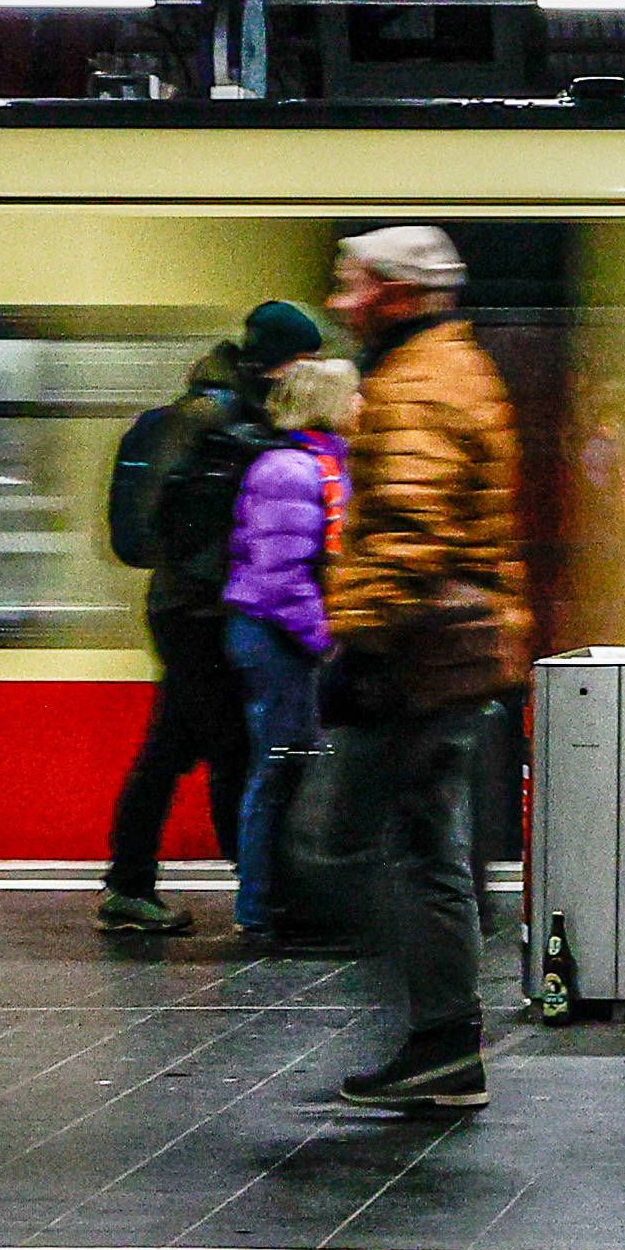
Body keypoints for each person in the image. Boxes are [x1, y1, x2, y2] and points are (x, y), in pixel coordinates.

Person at [319, 224, 533, 1113]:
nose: (339, 302)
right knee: (415, 844)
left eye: (352, 284)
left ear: (398, 294)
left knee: (371, 844)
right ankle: (437, 1036)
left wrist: (359, 638)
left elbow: (410, 530)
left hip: (421, 654)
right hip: (447, 653)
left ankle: (440, 1036)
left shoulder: (416, 386)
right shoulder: (444, 368)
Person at [98, 297, 324, 938]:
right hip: (198, 610)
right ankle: (249, 893)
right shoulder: (216, 419)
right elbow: (195, 529)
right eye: (304, 358)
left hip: (185, 606)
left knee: (186, 746)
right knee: (215, 748)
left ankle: (147, 883)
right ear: (281, 357)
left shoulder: (209, 410)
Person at [220, 350, 359, 943]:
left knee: (290, 765)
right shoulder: (288, 470)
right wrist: (324, 639)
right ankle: (260, 905)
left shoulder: (326, 466)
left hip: (290, 632)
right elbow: (281, 576)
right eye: (354, 394)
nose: (363, 405)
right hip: (274, 633)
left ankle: (291, 896)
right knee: (278, 769)